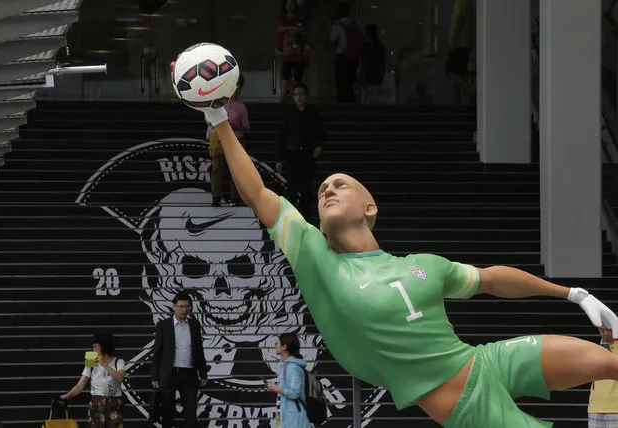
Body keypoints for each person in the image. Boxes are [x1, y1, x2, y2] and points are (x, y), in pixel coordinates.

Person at [197, 97, 618, 428]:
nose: (328, 189)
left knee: (612, 362)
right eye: (323, 187)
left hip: (489, 360)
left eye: (340, 184)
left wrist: (575, 295)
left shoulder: (423, 264)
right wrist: (220, 120)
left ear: (370, 206)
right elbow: (256, 193)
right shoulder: (315, 256)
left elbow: (490, 279)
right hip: (463, 399)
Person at [151, 292, 209, 428]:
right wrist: (154, 375)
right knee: (167, 412)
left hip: (189, 374)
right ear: (174, 307)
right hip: (169, 374)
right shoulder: (163, 325)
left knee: (191, 411)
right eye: (181, 306)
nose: (184, 309)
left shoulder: (195, 325)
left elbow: (199, 350)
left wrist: (203, 372)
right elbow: (157, 352)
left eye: (187, 306)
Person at [275, 82, 325, 223]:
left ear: (306, 96)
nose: (299, 97)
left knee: (306, 189)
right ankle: (290, 219)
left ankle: (306, 219)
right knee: (291, 188)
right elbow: (282, 137)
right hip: (292, 155)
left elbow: (321, 133)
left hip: (307, 155)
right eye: (296, 94)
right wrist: (279, 159)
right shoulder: (289, 114)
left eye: (301, 94)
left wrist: (319, 146)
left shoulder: (313, 113)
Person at [60, 333, 126, 428]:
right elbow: (79, 386)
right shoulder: (91, 363)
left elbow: (119, 378)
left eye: (95, 347)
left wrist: (103, 364)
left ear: (104, 347)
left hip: (113, 404)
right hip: (96, 404)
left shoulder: (118, 362)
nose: (93, 349)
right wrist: (66, 396)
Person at [209, 75, 249, 206]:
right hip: (220, 139)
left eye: (237, 87)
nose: (235, 90)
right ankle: (216, 197)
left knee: (235, 170)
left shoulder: (241, 106)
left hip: (236, 140)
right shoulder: (218, 103)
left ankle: (235, 197)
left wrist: (234, 125)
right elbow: (209, 120)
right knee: (217, 168)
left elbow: (246, 127)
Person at [264, 333, 311, 428]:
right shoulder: (285, 365)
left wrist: (275, 388)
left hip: (293, 418)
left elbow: (294, 393)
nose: (275, 346)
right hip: (285, 415)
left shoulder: (292, 367)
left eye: (277, 343)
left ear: (284, 346)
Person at [588, 326, 618, 428]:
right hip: (595, 407)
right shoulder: (594, 349)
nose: (605, 333)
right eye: (602, 330)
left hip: (615, 408)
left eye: (608, 329)